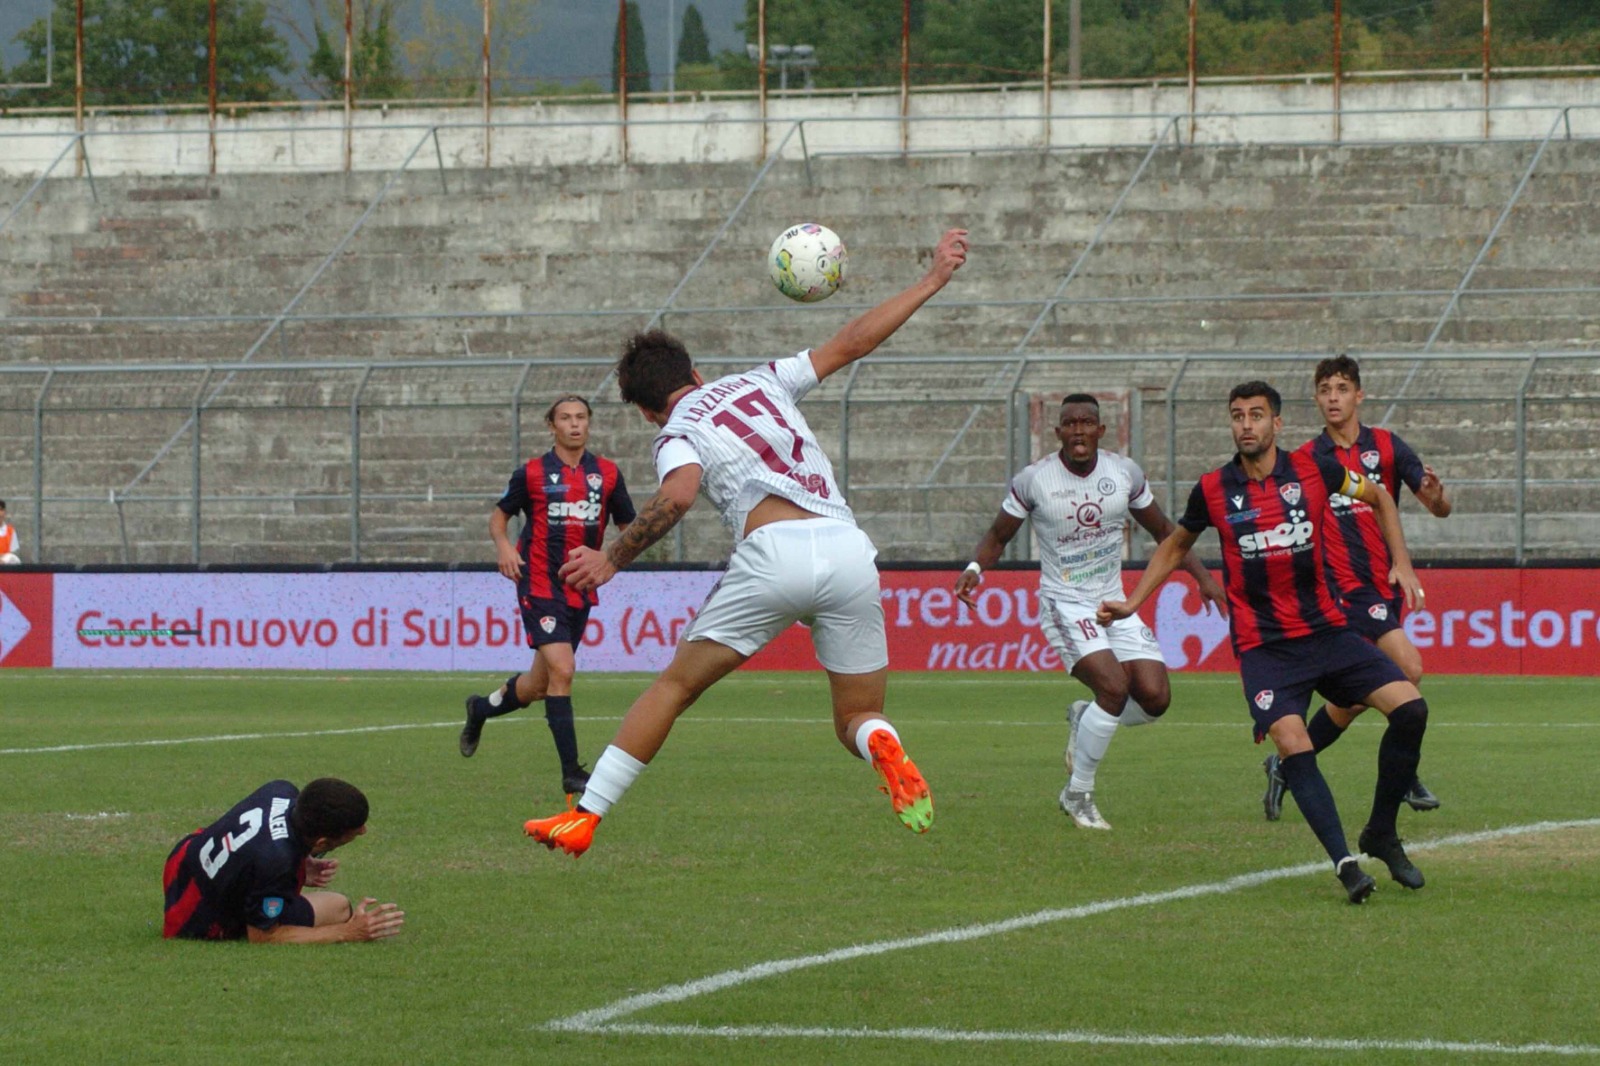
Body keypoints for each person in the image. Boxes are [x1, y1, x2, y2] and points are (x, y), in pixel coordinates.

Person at [523, 227, 970, 858]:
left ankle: (587, 814)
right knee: (854, 717)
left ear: (648, 411)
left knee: (673, 688)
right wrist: (932, 279)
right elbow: (854, 341)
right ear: (698, 373)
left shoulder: (674, 430)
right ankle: (879, 743)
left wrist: (612, 557)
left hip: (773, 556)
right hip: (847, 550)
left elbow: (678, 495)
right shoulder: (765, 380)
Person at [1099, 381, 1433, 904]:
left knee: (1411, 709)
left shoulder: (1315, 470)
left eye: (1256, 415)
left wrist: (1402, 560)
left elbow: (1381, 496)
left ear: (1277, 424)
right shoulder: (1213, 488)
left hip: (1328, 632)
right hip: (1266, 648)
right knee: (1293, 742)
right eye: (1238, 416)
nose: (1246, 425)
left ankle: (1381, 833)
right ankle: (1346, 863)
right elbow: (1176, 545)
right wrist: (1133, 600)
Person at [955, 394, 1226, 830]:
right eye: (1069, 423)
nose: (1078, 430)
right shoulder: (1034, 480)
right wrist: (974, 569)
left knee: (1156, 699)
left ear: (1101, 431)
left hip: (1113, 604)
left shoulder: (1124, 474)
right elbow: (998, 534)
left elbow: (1166, 533)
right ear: (1058, 431)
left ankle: (1085, 717)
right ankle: (1078, 793)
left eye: (1087, 422)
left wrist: (1202, 577)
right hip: (1064, 603)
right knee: (1115, 688)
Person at [1261, 355, 1453, 821]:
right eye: (1325, 389)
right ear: (1316, 397)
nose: (1333, 397)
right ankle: (1403, 776)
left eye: (1342, 388)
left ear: (1359, 395)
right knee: (1408, 667)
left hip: (1381, 587)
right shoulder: (1308, 460)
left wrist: (1436, 494)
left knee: (1353, 696)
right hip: (1340, 590)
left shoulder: (1386, 446)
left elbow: (1438, 507)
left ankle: (1285, 762)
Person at [459, 395, 636, 800]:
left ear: (589, 424)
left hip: (580, 588)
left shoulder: (607, 475)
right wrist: (504, 547)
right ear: (551, 426)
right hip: (538, 583)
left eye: (581, 418)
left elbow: (630, 529)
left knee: (540, 684)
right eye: (565, 418)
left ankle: (481, 708)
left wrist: (611, 559)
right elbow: (499, 517)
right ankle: (572, 773)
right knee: (565, 669)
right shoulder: (533, 473)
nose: (574, 425)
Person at [162, 777, 404, 943]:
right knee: (337, 905)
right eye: (355, 830)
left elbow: (259, 840)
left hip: (184, 864)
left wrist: (298, 861)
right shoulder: (277, 861)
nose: (363, 832)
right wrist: (348, 931)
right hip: (196, 917)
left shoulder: (281, 790)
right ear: (320, 842)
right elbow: (264, 937)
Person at [0, 499, 20, 565]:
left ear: (5, 512)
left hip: (6, 569)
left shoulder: (10, 531)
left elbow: (14, 556)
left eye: (1, 510)